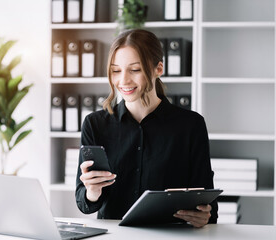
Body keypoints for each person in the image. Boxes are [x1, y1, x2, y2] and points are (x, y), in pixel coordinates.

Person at [75, 29, 217, 228]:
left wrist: (204, 216)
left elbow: (209, 207)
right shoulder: (95, 124)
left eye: (135, 69)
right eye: (116, 71)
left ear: (158, 69)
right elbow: (84, 203)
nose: (123, 80)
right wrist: (92, 191)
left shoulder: (191, 125)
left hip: (169, 236)